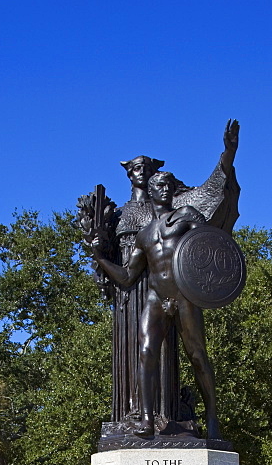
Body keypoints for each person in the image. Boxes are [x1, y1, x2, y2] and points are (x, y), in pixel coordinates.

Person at [93, 171, 221, 439]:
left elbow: (208, 248)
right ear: (150, 191)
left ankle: (212, 419)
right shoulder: (145, 234)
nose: (165, 190)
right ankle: (147, 421)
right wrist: (99, 257)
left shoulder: (186, 215)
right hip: (156, 296)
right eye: (159, 185)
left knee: (197, 355)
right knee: (146, 352)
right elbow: (128, 276)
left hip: (184, 294)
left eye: (169, 185)